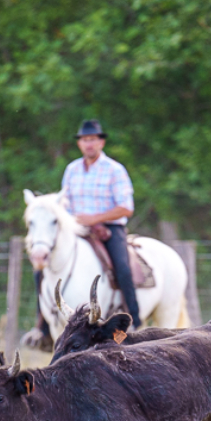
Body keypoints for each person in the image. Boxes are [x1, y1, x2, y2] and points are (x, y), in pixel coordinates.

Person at [61, 119, 141, 329]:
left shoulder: (114, 170)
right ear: (79, 144)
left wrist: (94, 219)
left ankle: (134, 318)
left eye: (93, 139)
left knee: (122, 267)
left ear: (101, 143)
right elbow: (65, 202)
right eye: (85, 140)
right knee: (45, 265)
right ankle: (41, 325)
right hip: (77, 229)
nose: (89, 144)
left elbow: (126, 207)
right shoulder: (71, 170)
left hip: (110, 228)